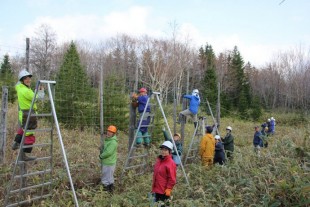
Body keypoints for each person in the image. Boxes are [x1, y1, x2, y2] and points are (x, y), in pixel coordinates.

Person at [12, 69, 45, 161]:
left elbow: (17, 84)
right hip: (29, 114)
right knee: (29, 133)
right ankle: (24, 155)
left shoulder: (19, 87)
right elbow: (39, 97)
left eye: (29, 78)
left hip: (23, 113)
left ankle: (16, 143)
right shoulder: (26, 91)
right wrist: (41, 90)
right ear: (22, 80)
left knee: (23, 129)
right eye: (26, 79)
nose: (29, 80)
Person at [152, 141, 177, 205]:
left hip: (164, 191)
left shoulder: (171, 163)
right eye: (162, 149)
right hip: (156, 188)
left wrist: (168, 189)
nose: (163, 151)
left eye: (165, 150)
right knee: (156, 205)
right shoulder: (159, 160)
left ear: (170, 151)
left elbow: (172, 178)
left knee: (164, 205)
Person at [99, 125, 118, 194]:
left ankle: (105, 191)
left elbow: (108, 152)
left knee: (105, 177)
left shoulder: (113, 142)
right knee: (109, 176)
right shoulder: (109, 140)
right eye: (108, 131)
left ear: (114, 133)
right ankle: (111, 190)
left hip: (108, 162)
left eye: (111, 132)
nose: (109, 133)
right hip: (110, 161)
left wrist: (101, 156)